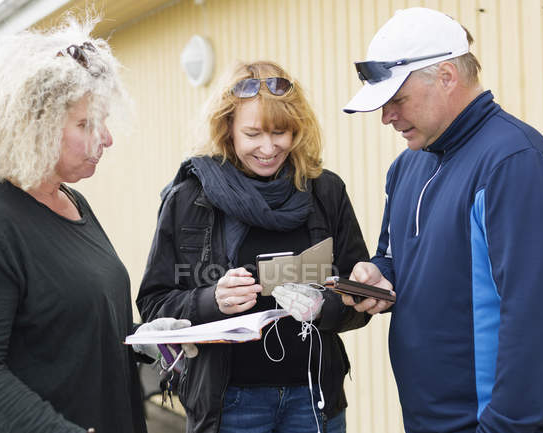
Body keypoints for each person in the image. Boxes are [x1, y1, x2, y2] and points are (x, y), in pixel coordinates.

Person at [0, 18, 196, 433]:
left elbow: (68, 324)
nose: (105, 138)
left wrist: (139, 339)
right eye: (86, 124)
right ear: (31, 127)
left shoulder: (73, 201)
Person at [342, 7, 543, 433]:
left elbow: (538, 325)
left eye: (397, 99)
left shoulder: (516, 164)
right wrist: (380, 274)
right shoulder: (406, 167)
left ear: (448, 76)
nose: (386, 117)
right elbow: (396, 256)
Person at [136, 60, 383, 433]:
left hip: (314, 399)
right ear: (228, 130)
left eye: (280, 133)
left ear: (297, 131)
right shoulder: (189, 199)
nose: (268, 148)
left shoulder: (325, 191)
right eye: (253, 134)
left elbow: (359, 298)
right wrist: (210, 300)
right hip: (229, 406)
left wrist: (325, 306)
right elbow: (154, 304)